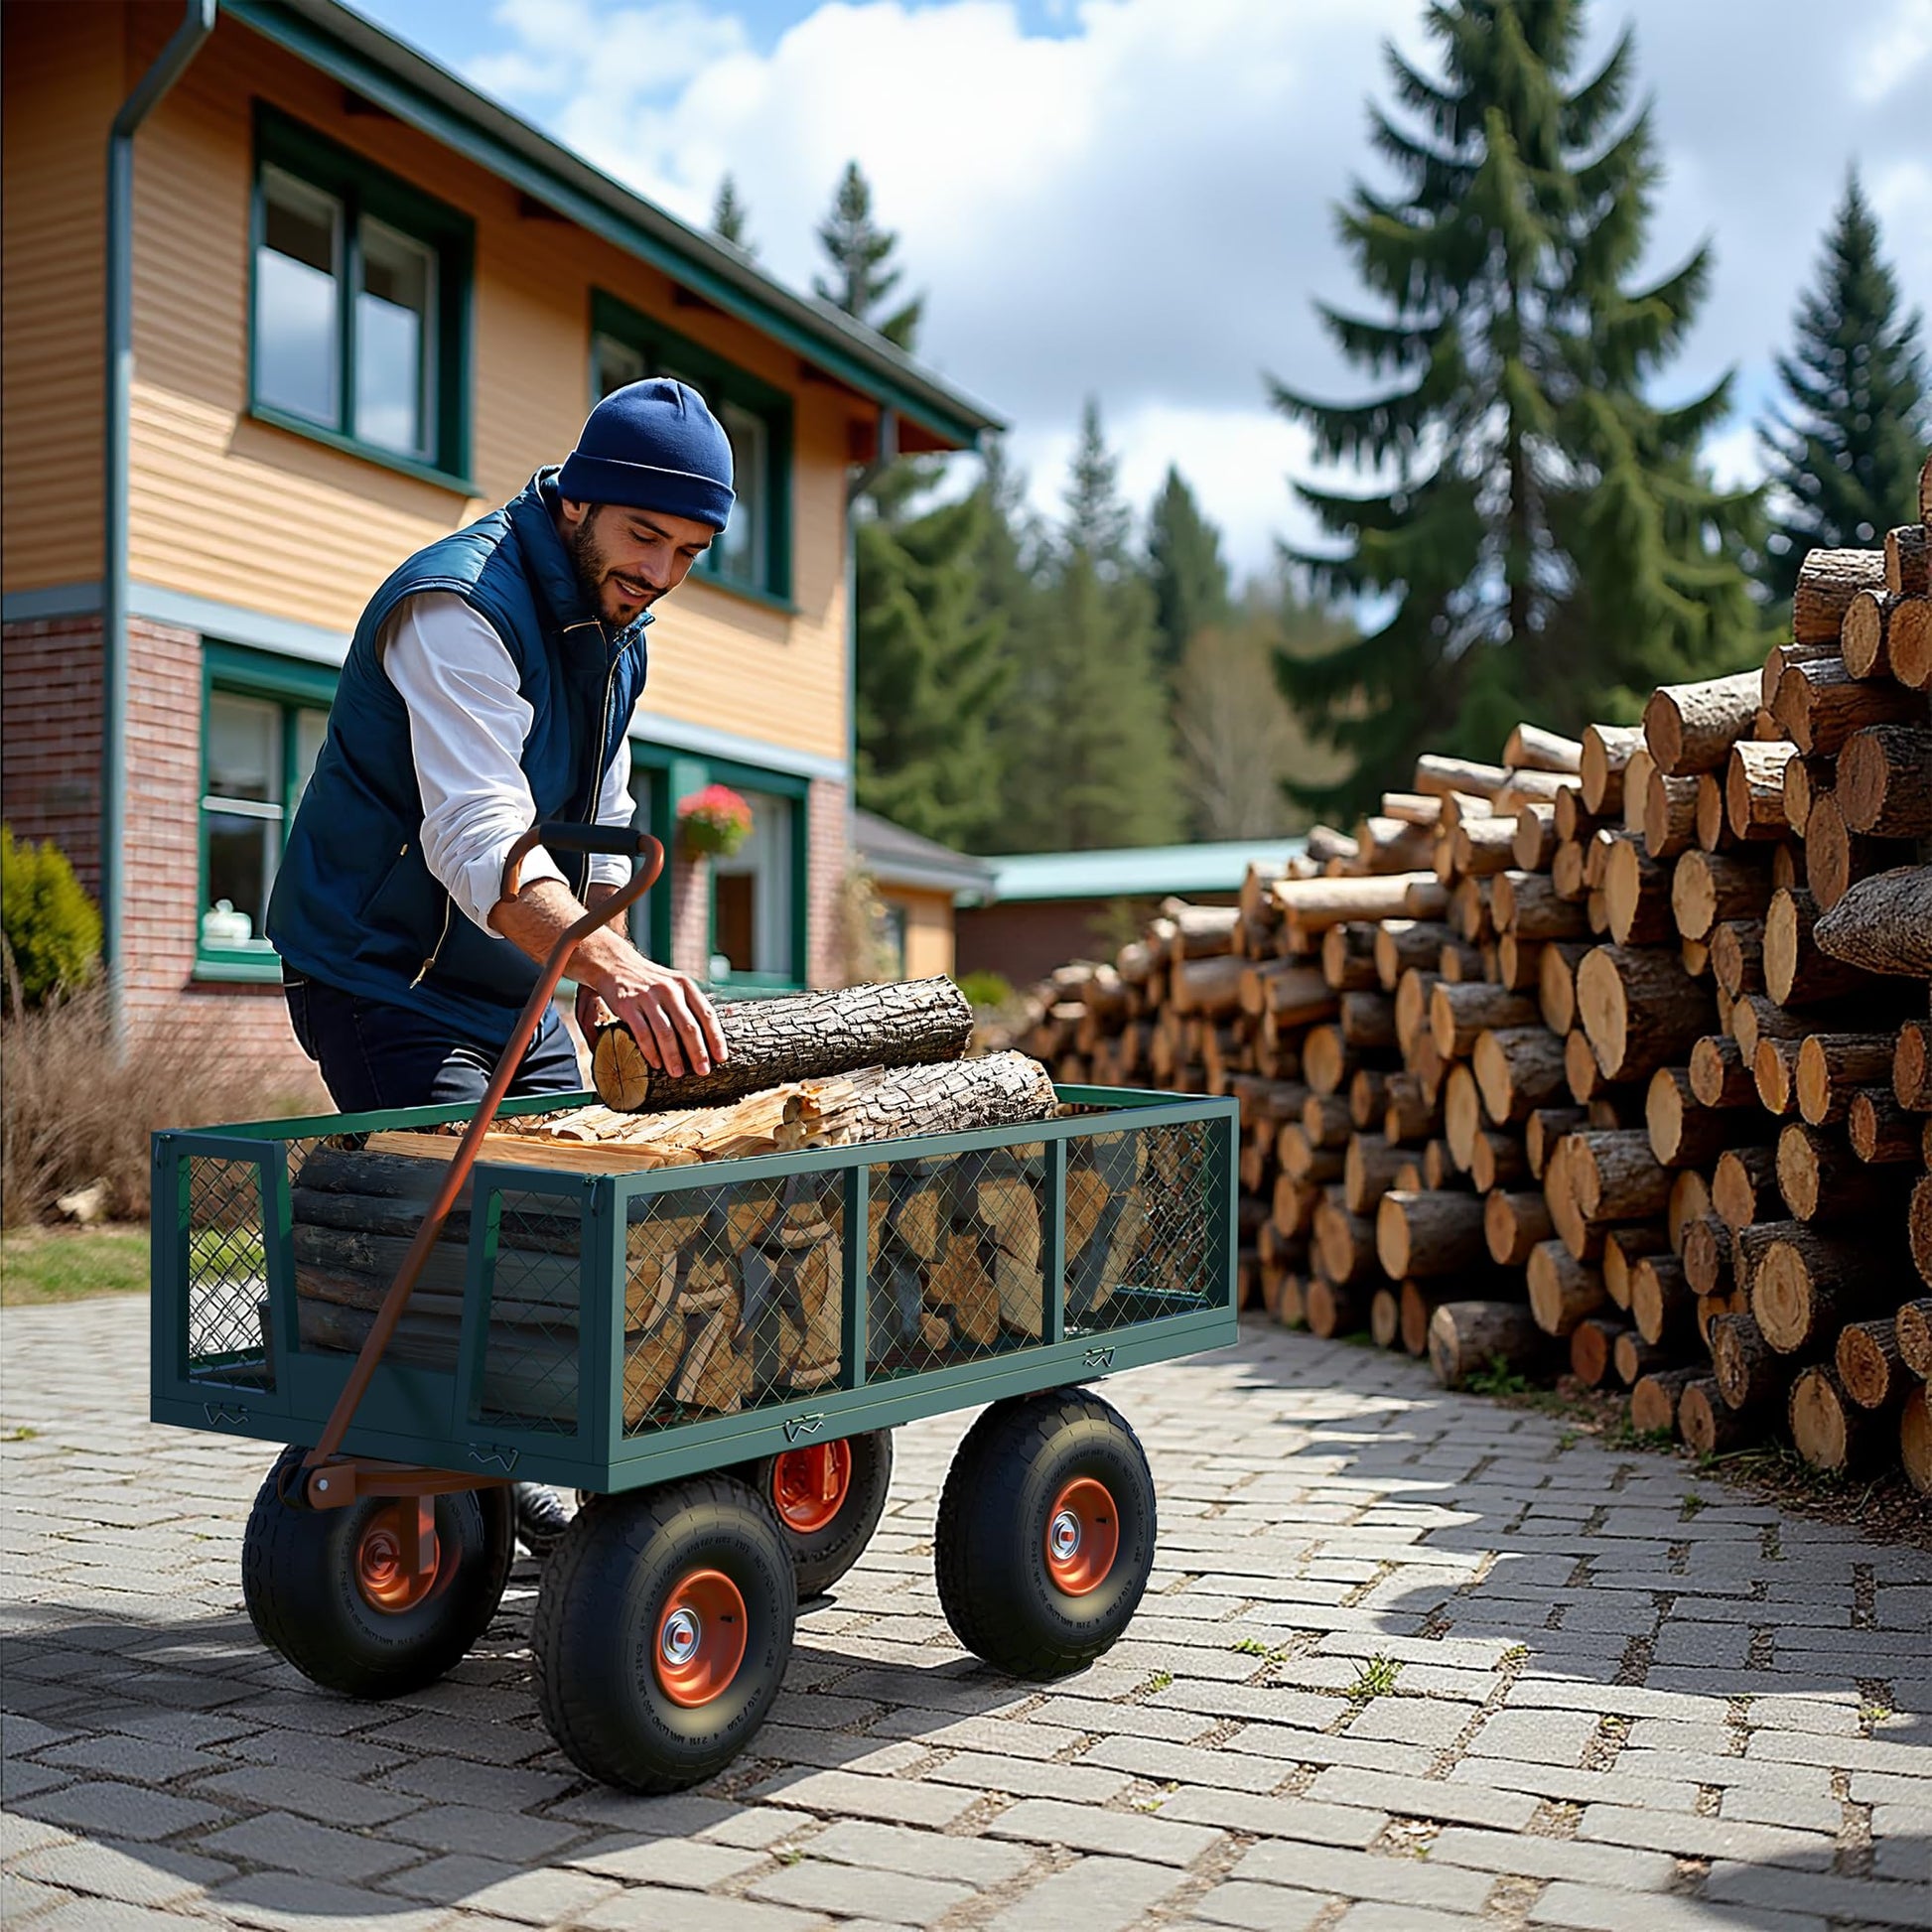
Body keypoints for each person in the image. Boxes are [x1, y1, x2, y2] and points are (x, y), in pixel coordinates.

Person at [267, 379, 733, 1556]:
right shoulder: (458, 604)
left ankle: (515, 1458)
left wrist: (600, 975)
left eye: (687, 552)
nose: (659, 572)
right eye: (642, 535)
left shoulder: (616, 634)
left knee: (573, 1208)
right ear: (576, 500)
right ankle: (369, 1480)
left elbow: (598, 818)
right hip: (382, 968)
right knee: (455, 1230)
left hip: (506, 977)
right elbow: (479, 835)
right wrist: (611, 966)